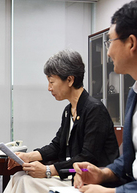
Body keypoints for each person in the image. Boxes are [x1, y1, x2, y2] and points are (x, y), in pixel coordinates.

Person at [4, 49, 119, 193]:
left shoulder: (94, 109)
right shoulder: (68, 111)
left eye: (52, 82)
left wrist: (48, 170)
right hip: (70, 176)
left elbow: (87, 157)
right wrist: (27, 156)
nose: (49, 88)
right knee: (18, 177)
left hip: (90, 182)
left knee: (27, 182)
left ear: (70, 80)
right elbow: (57, 146)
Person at [73, 1, 137, 192]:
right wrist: (103, 174)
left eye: (110, 42)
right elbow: (129, 159)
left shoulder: (93, 108)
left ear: (131, 43)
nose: (108, 52)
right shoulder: (134, 93)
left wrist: (113, 192)